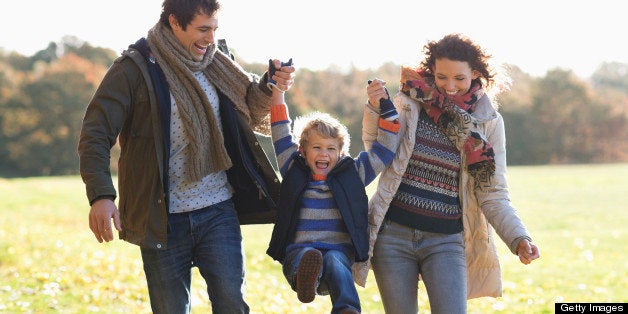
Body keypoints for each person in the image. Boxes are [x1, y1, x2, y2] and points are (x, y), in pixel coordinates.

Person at [77, 0, 295, 312]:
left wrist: (270, 85)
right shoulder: (134, 69)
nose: (210, 38)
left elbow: (248, 109)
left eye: (214, 29)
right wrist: (101, 196)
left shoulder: (217, 62)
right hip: (163, 218)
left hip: (218, 209)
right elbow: (95, 134)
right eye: (202, 29)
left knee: (232, 304)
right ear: (175, 23)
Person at [353, 33, 541, 314]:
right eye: (442, 77)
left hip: (446, 240)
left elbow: (493, 192)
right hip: (392, 236)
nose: (449, 86)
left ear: (475, 74)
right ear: (432, 71)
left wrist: (519, 238)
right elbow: (377, 148)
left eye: (459, 78)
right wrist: (375, 107)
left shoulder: (487, 123)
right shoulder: (410, 101)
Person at [265, 60, 401, 314]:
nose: (324, 154)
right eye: (317, 148)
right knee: (305, 257)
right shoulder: (293, 168)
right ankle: (306, 279)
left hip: (337, 251)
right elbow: (280, 132)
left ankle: (347, 309)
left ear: (341, 153)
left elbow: (384, 150)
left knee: (336, 262)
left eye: (331, 149)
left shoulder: (352, 173)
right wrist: (278, 91)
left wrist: (385, 105)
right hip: (298, 250)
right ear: (303, 151)